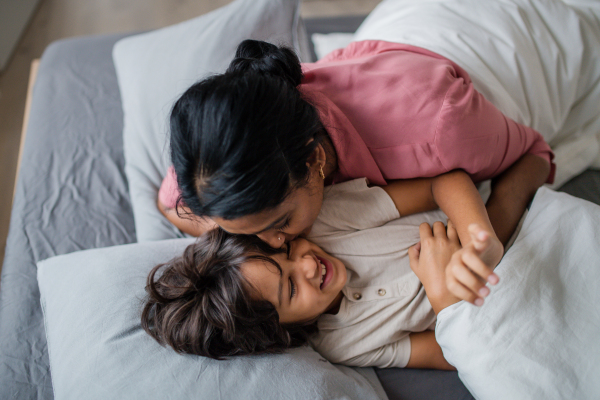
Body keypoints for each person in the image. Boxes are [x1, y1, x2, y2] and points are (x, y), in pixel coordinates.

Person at [158, 39, 553, 286]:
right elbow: (169, 203)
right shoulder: (215, 158)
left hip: (490, 49)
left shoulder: (441, 129)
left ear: (314, 159)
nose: (274, 245)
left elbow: (535, 153)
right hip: (372, 56)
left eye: (279, 224)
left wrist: (485, 235)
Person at [142, 177, 504, 370]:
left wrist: (477, 242)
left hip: (486, 218)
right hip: (496, 303)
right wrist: (444, 300)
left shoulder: (324, 223)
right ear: (281, 330)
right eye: (291, 288)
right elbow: (451, 355)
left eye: (285, 250)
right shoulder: (340, 346)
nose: (308, 265)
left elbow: (442, 183)